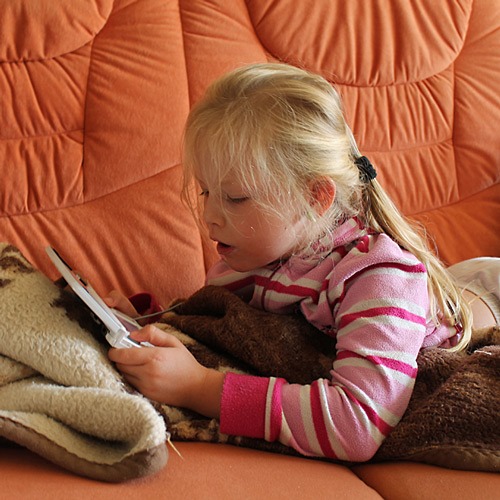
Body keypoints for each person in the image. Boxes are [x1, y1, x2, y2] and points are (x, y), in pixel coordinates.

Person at [107, 63, 497, 462]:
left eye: (235, 198)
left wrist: (199, 388)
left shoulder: (378, 277)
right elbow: (213, 331)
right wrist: (139, 324)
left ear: (315, 198)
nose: (209, 216)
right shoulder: (249, 258)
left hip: (488, 290)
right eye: (206, 191)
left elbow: (357, 427)